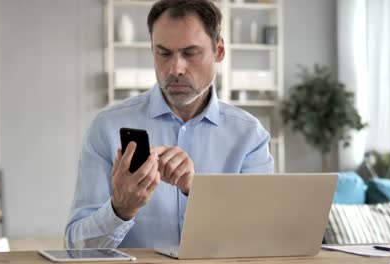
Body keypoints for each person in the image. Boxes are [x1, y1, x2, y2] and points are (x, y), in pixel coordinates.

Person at [65, 0, 274, 249]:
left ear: (219, 51)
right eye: (164, 53)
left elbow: (261, 239)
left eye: (190, 53)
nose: (176, 69)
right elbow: (75, 247)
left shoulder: (250, 136)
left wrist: (198, 193)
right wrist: (120, 208)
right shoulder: (106, 127)